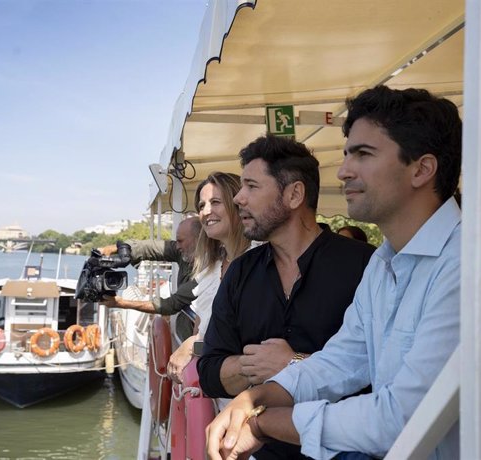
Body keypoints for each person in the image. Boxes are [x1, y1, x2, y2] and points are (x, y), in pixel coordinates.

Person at [205, 86, 481, 460]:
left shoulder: (472, 262)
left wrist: (260, 423)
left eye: (363, 154)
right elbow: (341, 360)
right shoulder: (383, 264)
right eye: (348, 153)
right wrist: (256, 397)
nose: (344, 170)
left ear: (421, 169)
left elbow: (401, 417)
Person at [198, 135, 375, 459]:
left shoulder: (367, 265)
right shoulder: (240, 273)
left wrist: (293, 364)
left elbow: (384, 379)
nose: (238, 198)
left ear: (294, 194)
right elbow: (209, 374)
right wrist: (256, 367)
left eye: (251, 186)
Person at [166, 172, 251, 383]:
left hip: (250, 397)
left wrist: (192, 345)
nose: (206, 211)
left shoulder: (260, 261)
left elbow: (244, 341)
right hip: (215, 392)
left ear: (237, 203)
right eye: (201, 205)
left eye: (215, 202)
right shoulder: (211, 270)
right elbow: (201, 327)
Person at [100, 216, 202, 339]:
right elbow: (151, 248)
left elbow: (172, 304)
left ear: (198, 240)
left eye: (180, 241)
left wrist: (122, 303)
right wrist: (119, 248)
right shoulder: (183, 251)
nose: (177, 246)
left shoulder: (207, 270)